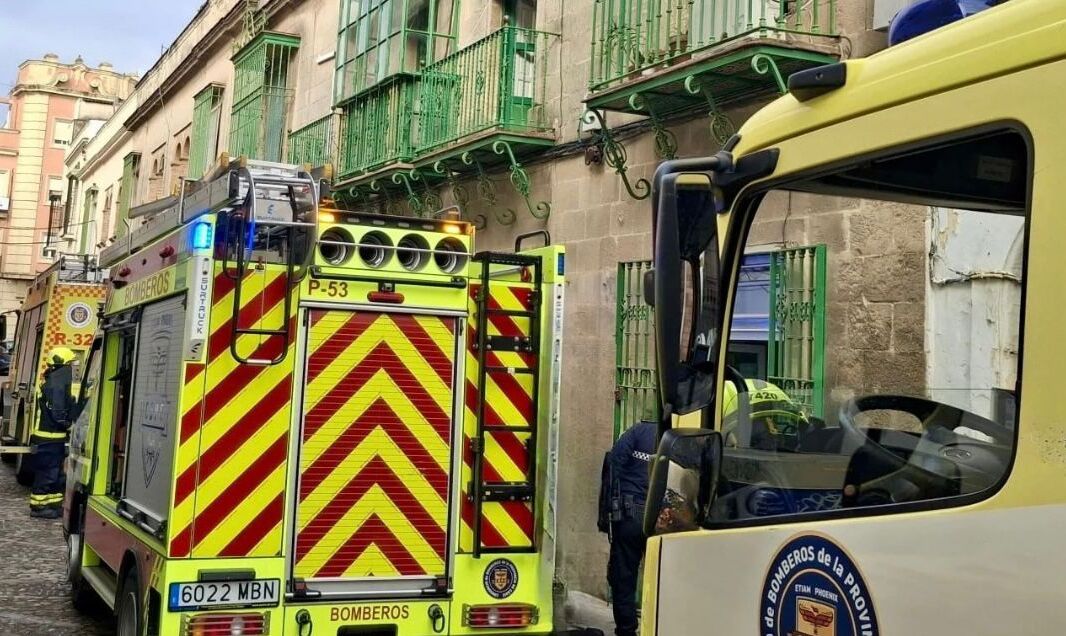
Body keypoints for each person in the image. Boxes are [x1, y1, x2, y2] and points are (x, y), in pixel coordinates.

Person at [602, 420, 656, 636]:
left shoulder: (635, 432)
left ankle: (626, 630)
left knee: (623, 576)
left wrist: (609, 512)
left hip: (630, 513)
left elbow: (613, 465)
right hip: (663, 518)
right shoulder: (673, 435)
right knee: (664, 574)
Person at [28, 347, 76, 519]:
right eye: (70, 363)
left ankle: (52, 504)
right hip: (48, 436)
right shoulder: (56, 382)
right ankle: (39, 507)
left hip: (50, 435)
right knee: (47, 472)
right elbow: (58, 410)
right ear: (63, 363)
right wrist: (67, 423)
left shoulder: (53, 379)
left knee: (53, 472)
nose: (73, 366)